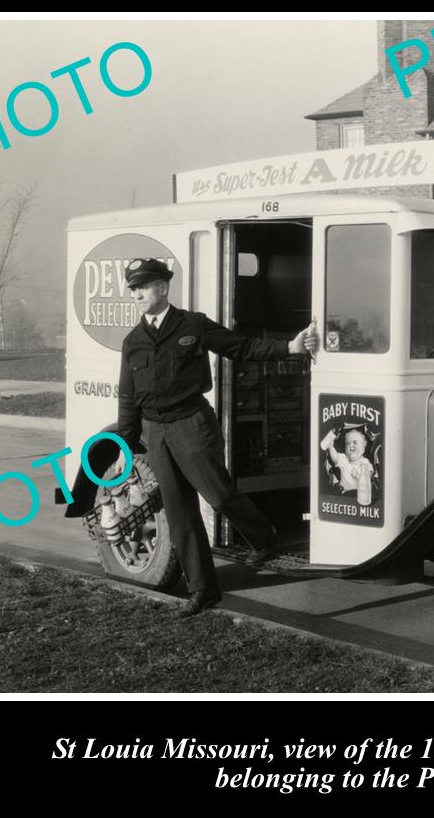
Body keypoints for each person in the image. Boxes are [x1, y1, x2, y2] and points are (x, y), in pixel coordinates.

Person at [117, 257, 319, 616]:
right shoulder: (133, 341)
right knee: (180, 514)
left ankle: (264, 537)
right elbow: (128, 396)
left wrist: (287, 348)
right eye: (133, 288)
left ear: (163, 288)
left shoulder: (191, 325)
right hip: (156, 431)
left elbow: (239, 347)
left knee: (219, 495)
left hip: (192, 422)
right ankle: (203, 590)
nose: (136, 293)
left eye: (143, 286)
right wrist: (127, 445)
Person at [320, 426, 374, 504]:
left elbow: (367, 480)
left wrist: (356, 473)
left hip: (360, 496)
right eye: (348, 443)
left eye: (355, 443)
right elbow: (335, 458)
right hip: (345, 495)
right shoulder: (343, 458)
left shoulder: (365, 463)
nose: (350, 445)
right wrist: (331, 447)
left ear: (362, 450)